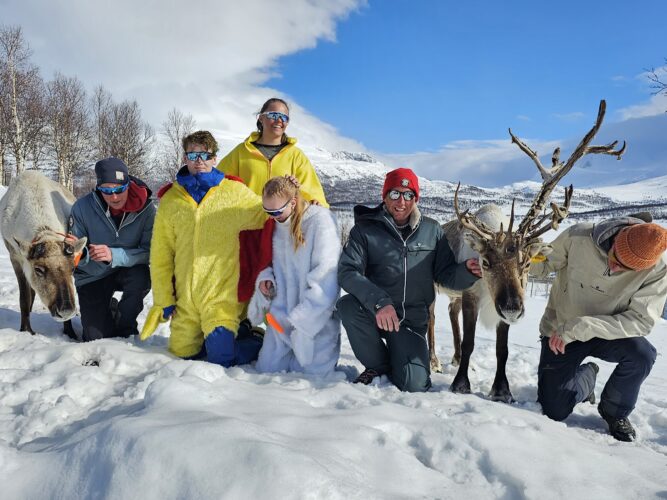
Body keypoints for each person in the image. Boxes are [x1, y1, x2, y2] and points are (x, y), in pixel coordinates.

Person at [337, 167, 481, 392]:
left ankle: (400, 358)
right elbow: (348, 271)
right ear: (384, 196)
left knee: (414, 384)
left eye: (408, 195)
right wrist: (379, 302)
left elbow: (446, 274)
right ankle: (378, 365)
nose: (401, 201)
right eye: (394, 194)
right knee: (347, 305)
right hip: (374, 311)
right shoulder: (365, 230)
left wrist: (467, 272)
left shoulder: (431, 231)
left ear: (416, 198)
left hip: (410, 322)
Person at [531, 216, 667, 441]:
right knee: (554, 410)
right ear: (617, 238)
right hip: (560, 331)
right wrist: (521, 257)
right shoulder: (578, 236)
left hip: (607, 332)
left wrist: (584, 326)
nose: (614, 267)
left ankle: (614, 412)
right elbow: (542, 266)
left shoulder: (658, 270)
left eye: (625, 269)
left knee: (643, 355)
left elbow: (641, 320)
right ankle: (588, 376)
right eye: (615, 258)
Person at [140, 131, 270, 367]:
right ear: (185, 158)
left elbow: (267, 213)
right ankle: (222, 336)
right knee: (183, 353)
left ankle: (252, 337)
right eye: (193, 154)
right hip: (186, 299)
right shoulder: (171, 199)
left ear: (214, 158)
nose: (199, 160)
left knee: (221, 358)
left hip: (221, 295)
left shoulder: (233, 192)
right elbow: (161, 254)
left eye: (205, 154)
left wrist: (294, 198)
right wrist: (163, 298)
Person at [248, 176, 341, 375]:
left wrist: (303, 322)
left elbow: (327, 278)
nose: (272, 217)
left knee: (311, 382)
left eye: (276, 211)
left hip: (313, 324)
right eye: (267, 211)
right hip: (280, 322)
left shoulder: (320, 222)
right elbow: (272, 265)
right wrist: (266, 279)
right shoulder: (276, 225)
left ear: (292, 201)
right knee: (266, 374)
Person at [69, 157, 155, 341]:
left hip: (128, 270)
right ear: (99, 188)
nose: (114, 197)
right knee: (95, 337)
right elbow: (76, 254)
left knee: (141, 277)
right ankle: (109, 309)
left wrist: (114, 255)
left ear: (128, 184)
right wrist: (80, 254)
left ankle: (126, 325)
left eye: (119, 189)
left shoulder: (147, 209)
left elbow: (149, 252)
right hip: (92, 275)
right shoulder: (81, 208)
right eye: (107, 190)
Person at [217, 97, 329, 207]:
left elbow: (312, 191)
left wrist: (316, 203)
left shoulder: (295, 155)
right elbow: (218, 182)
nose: (279, 120)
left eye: (284, 117)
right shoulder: (241, 152)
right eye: (274, 115)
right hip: (249, 221)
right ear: (261, 118)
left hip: (283, 223)